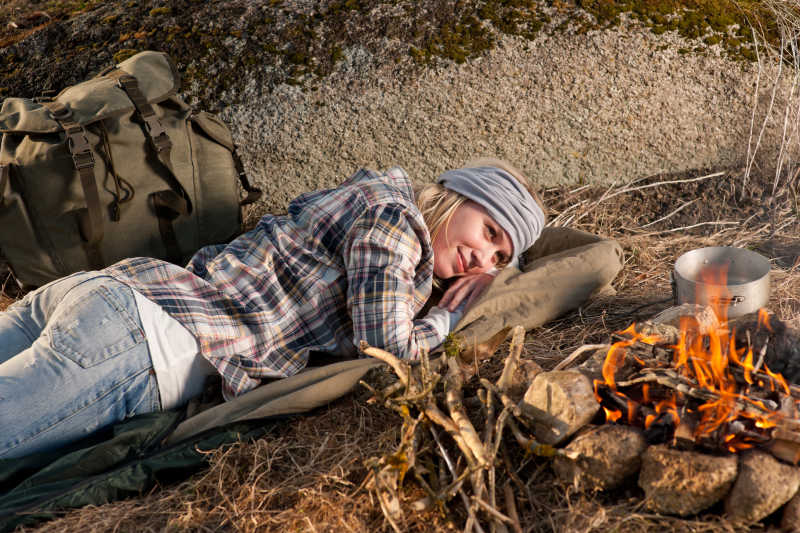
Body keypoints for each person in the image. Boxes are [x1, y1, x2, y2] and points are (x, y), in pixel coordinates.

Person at [0, 158, 546, 459]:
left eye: (498, 257)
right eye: (488, 230)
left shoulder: (374, 194)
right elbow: (390, 346)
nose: (481, 257)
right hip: (144, 344)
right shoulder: (396, 224)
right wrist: (447, 319)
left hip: (105, 296)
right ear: (455, 196)